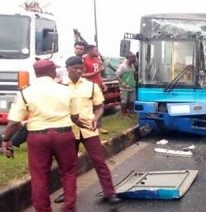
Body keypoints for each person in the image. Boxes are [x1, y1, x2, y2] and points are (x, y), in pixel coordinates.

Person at [1, 59, 85, 212]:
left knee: (39, 175)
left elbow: (14, 122)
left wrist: (6, 140)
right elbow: (75, 117)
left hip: (38, 137)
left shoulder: (25, 92)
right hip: (63, 135)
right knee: (68, 171)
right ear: (52, 72)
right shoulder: (66, 90)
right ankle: (69, 207)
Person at [54, 56, 120, 205]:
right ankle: (67, 192)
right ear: (67, 68)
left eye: (81, 68)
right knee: (67, 165)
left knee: (99, 162)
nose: (79, 70)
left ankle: (110, 193)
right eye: (75, 68)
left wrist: (96, 118)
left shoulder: (91, 86)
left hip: (89, 129)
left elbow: (99, 106)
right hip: (68, 130)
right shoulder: (60, 86)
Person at [82, 45, 108, 133]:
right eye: (95, 50)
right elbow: (82, 75)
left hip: (97, 86)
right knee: (89, 108)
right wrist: (96, 72)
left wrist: (102, 83)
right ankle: (89, 125)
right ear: (89, 51)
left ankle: (99, 126)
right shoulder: (84, 60)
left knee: (100, 106)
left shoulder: (97, 59)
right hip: (88, 87)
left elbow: (99, 74)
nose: (97, 52)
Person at [116, 52, 137, 117]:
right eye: (133, 58)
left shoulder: (132, 65)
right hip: (124, 87)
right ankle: (123, 114)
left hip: (132, 86)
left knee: (132, 100)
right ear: (128, 58)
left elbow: (133, 73)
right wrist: (123, 83)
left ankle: (131, 113)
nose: (134, 59)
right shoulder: (122, 66)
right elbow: (117, 75)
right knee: (124, 101)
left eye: (134, 58)